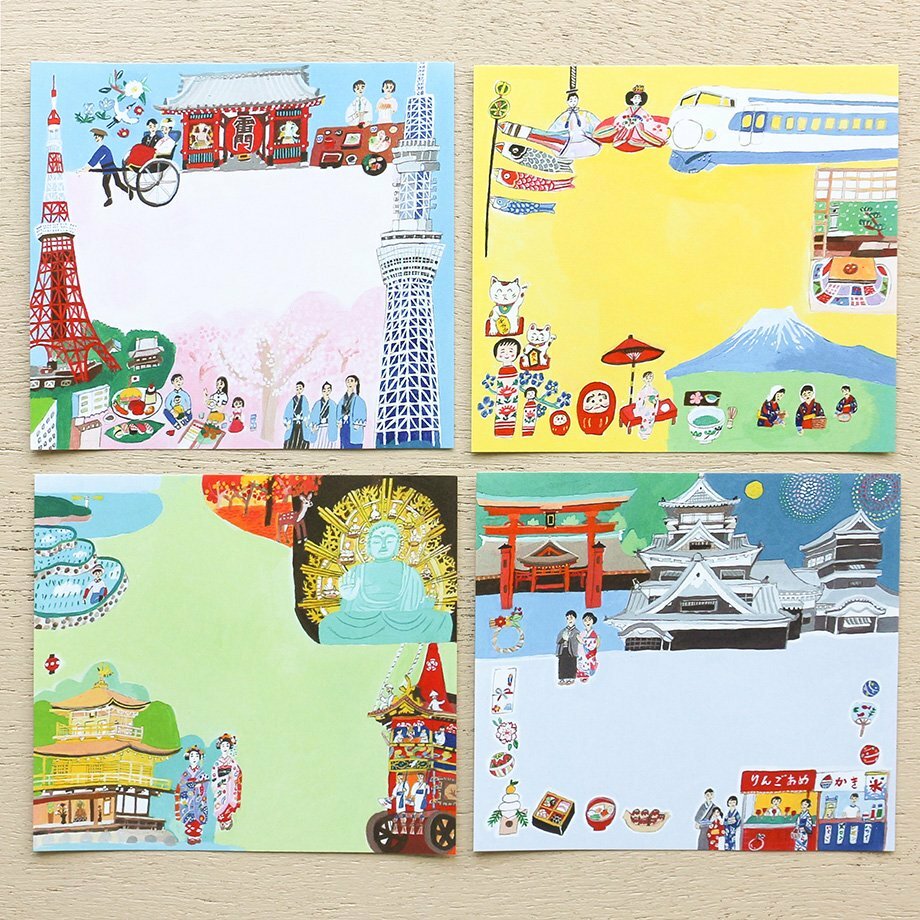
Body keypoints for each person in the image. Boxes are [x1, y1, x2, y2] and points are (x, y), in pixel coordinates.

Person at [318, 520, 453, 644]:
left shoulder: (410, 573)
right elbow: (348, 610)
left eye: (389, 540)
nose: (383, 545)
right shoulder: (357, 572)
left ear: (398, 545)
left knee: (441, 620)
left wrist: (426, 604)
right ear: (368, 546)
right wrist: (348, 598)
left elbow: (417, 607)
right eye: (377, 541)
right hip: (364, 623)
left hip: (404, 623)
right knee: (329, 623)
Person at [606, 84, 669, 150]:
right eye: (635, 98)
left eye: (639, 98)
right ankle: (623, 138)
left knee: (635, 140)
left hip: (638, 131)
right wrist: (624, 122)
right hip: (627, 129)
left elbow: (648, 121)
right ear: (631, 99)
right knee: (625, 130)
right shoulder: (628, 110)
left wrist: (638, 123)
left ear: (641, 100)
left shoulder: (642, 112)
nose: (636, 100)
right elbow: (621, 118)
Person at [80, 128, 131, 206]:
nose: (96, 139)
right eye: (95, 137)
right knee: (116, 183)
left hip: (109, 168)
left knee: (108, 183)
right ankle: (127, 192)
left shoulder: (103, 149)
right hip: (108, 168)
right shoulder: (102, 148)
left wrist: (87, 167)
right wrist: (87, 167)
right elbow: (95, 158)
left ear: (101, 137)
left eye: (97, 137)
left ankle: (112, 198)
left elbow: (95, 158)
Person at [548, 88, 601, 159]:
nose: (573, 102)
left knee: (591, 148)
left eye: (575, 100)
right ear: (567, 102)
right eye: (571, 100)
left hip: (583, 140)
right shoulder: (564, 116)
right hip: (569, 141)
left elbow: (596, 125)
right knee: (564, 151)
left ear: (578, 100)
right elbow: (554, 129)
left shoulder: (584, 114)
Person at [174, 746, 209, 845]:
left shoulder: (202, 773)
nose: (194, 758)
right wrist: (188, 787)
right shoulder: (185, 774)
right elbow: (181, 785)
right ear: (188, 758)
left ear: (199, 758)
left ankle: (197, 836)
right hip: (188, 800)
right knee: (189, 818)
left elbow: (206, 783)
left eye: (196, 756)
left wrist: (200, 786)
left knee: (198, 818)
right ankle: (190, 837)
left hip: (199, 799)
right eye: (192, 756)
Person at [211, 733, 243, 831]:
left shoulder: (232, 762)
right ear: (220, 747)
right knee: (220, 805)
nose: (225, 748)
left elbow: (237, 773)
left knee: (229, 805)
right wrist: (220, 781)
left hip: (230, 786)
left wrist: (232, 777)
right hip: (221, 788)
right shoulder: (217, 763)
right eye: (223, 745)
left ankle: (227, 819)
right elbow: (214, 776)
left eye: (227, 746)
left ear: (230, 747)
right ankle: (222, 820)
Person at [338, 375, 367, 449]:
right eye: (348, 381)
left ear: (356, 383)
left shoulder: (359, 400)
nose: (349, 383)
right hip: (344, 425)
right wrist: (339, 420)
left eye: (351, 381)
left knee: (354, 445)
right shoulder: (342, 399)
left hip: (353, 425)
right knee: (344, 444)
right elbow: (339, 410)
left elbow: (361, 414)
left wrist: (357, 424)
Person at [310, 381, 339, 449]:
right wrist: (313, 427)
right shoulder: (317, 404)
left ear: (330, 391)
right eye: (324, 390)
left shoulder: (333, 404)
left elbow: (337, 417)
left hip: (330, 428)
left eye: (328, 390)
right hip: (319, 429)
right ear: (322, 391)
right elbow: (312, 417)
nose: (326, 392)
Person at [283, 382, 312, 449]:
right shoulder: (292, 400)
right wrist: (287, 422)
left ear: (303, 389)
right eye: (297, 388)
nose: (298, 390)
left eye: (300, 388)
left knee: (302, 438)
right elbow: (287, 412)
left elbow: (307, 411)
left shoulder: (304, 400)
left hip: (302, 423)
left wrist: (306, 420)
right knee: (291, 439)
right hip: (293, 423)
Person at [555, 610, 580, 686]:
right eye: (567, 618)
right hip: (563, 649)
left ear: (575, 619)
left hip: (572, 650)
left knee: (571, 663)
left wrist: (569, 639)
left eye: (571, 618)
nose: (569, 620)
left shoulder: (576, 631)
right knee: (562, 663)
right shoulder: (563, 631)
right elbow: (558, 640)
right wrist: (563, 638)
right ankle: (562, 678)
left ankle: (571, 678)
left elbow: (576, 640)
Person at [634, 370, 660, 440]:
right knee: (645, 418)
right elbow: (640, 399)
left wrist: (654, 399)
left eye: (650, 377)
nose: (648, 379)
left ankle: (648, 433)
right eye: (647, 378)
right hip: (644, 407)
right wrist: (645, 399)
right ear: (644, 379)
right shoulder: (643, 390)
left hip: (651, 407)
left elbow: (656, 396)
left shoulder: (653, 389)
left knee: (651, 419)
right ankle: (642, 433)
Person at [576, 612, 600, 683]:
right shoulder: (582, 633)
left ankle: (586, 675)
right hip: (581, 654)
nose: (587, 622)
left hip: (589, 654)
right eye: (585, 620)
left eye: (589, 620)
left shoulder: (593, 634)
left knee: (587, 666)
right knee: (581, 665)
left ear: (593, 621)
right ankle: (582, 675)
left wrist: (582, 641)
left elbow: (592, 646)